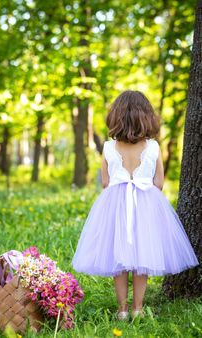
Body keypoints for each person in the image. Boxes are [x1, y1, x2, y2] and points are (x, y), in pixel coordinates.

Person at [72, 90, 199, 320]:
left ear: (116, 118)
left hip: (115, 206)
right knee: (143, 259)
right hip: (146, 207)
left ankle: (122, 310)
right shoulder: (153, 147)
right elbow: (158, 183)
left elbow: (106, 182)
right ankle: (138, 309)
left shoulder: (109, 148)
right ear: (146, 118)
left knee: (118, 260)